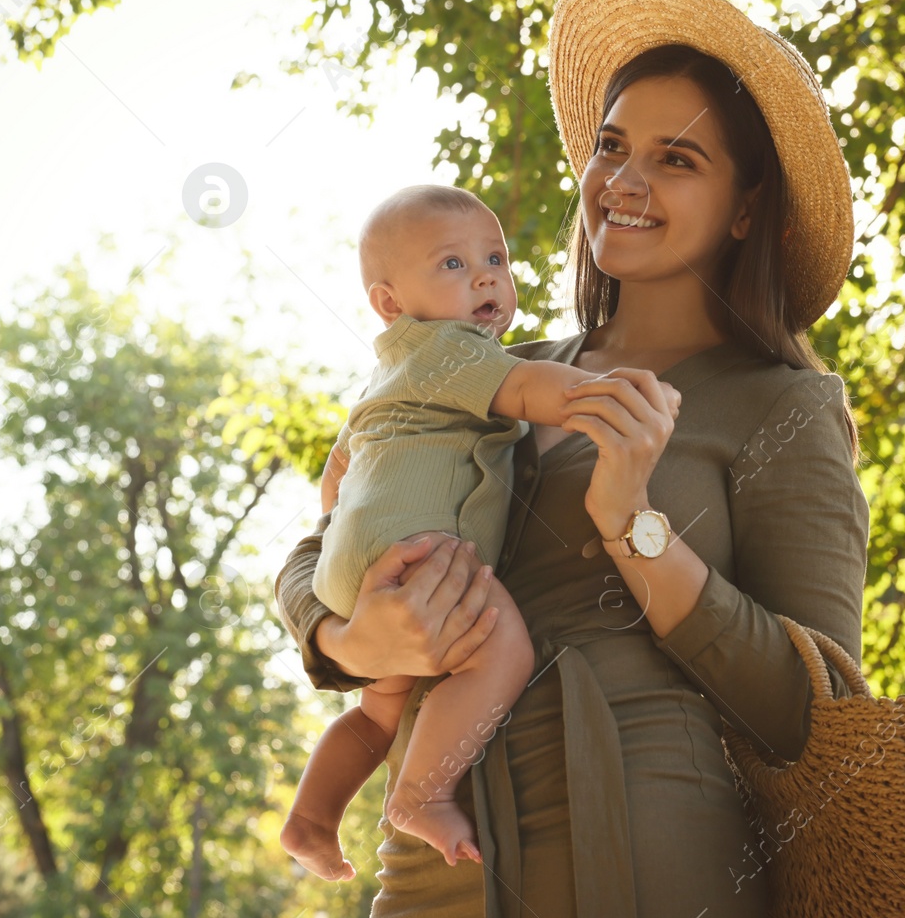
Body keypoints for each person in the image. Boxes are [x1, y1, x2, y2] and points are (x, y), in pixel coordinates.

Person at [272, 0, 869, 918]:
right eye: (611, 145)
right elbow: (319, 544)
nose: (625, 181)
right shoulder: (483, 365)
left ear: (746, 208)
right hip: (436, 857)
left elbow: (814, 708)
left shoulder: (785, 405)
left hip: (647, 851)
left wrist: (636, 529)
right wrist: (345, 637)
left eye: (677, 159)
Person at [281, 184, 682, 878]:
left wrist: (345, 616)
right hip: (416, 555)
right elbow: (531, 389)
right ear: (390, 303)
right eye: (454, 264)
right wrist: (604, 394)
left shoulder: (393, 373)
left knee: (378, 717)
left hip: (367, 564)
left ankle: (312, 817)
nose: (487, 274)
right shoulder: (448, 350)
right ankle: (421, 792)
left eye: (494, 256)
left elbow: (335, 486)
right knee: (505, 648)